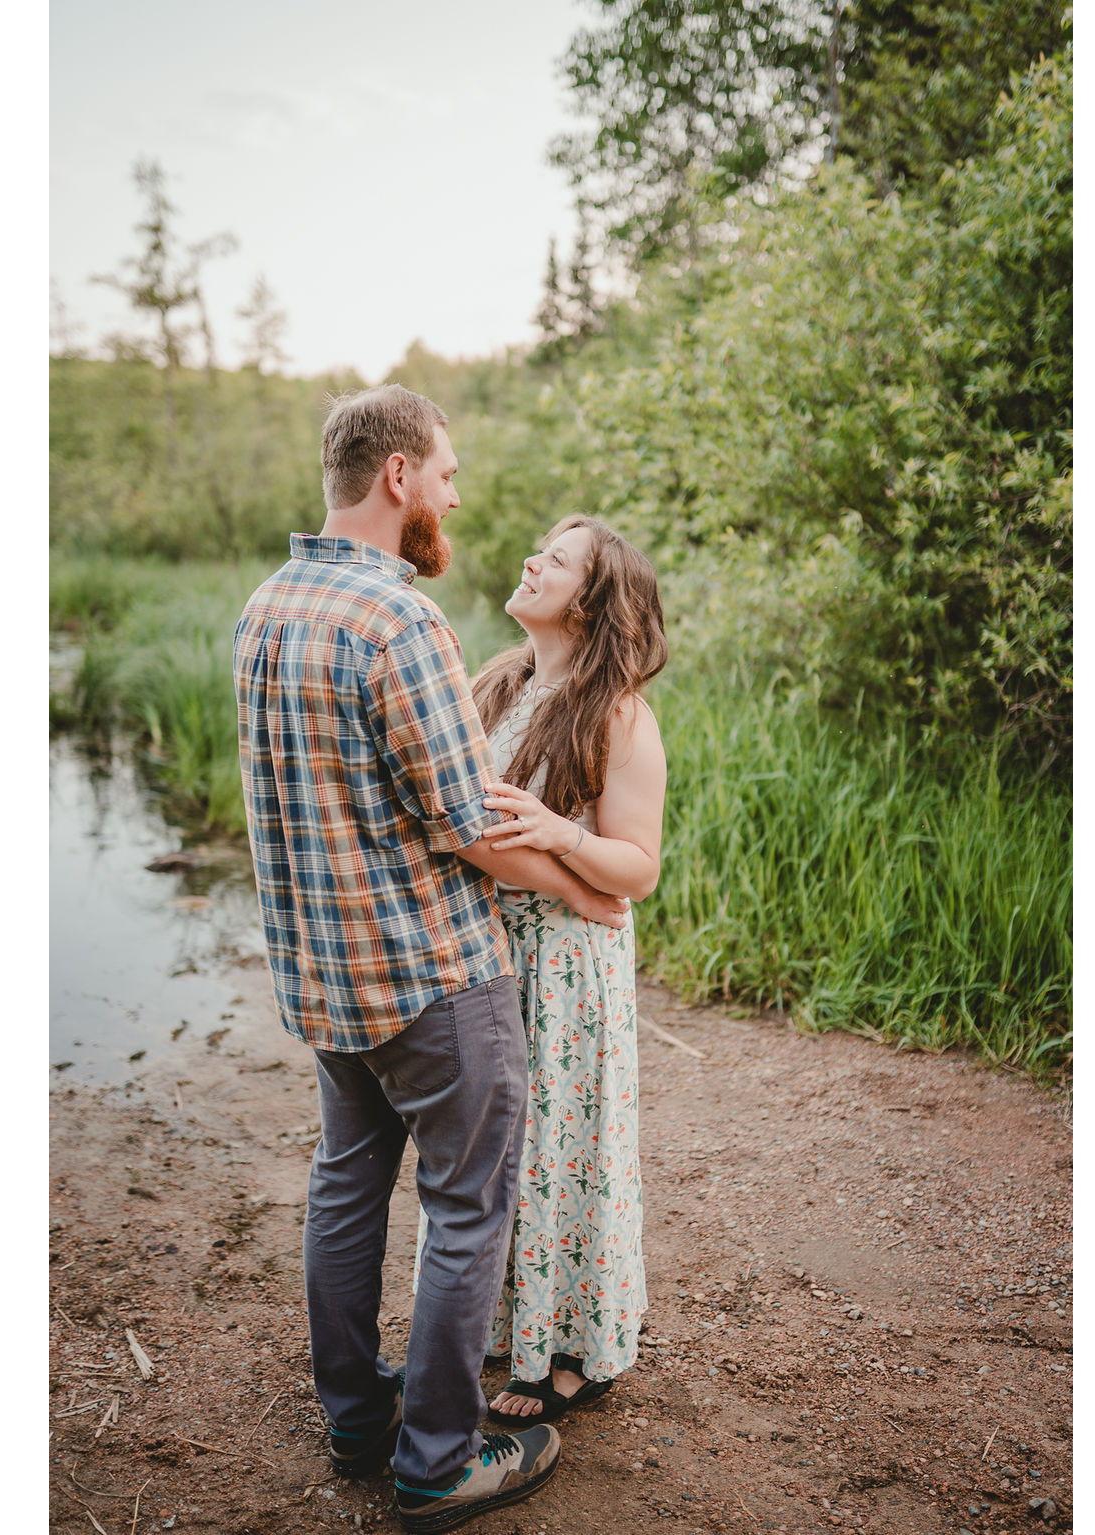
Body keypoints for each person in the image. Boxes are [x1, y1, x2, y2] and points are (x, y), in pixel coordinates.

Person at [233, 386, 628, 1531]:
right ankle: (437, 1462)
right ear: (397, 475)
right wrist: (581, 886)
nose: (454, 495)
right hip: (429, 973)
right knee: (465, 1209)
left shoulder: (267, 605)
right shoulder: (397, 621)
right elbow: (465, 821)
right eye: (445, 473)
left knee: (346, 1181)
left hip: (321, 975)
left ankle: (357, 1417)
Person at [416, 515, 667, 1424]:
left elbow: (637, 868)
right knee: (495, 1151)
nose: (531, 561)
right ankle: (501, 1326)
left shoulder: (619, 714)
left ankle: (576, 1350)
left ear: (592, 600)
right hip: (487, 948)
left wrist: (565, 835)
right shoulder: (497, 681)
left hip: (568, 964)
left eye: (555, 560)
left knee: (566, 1145)